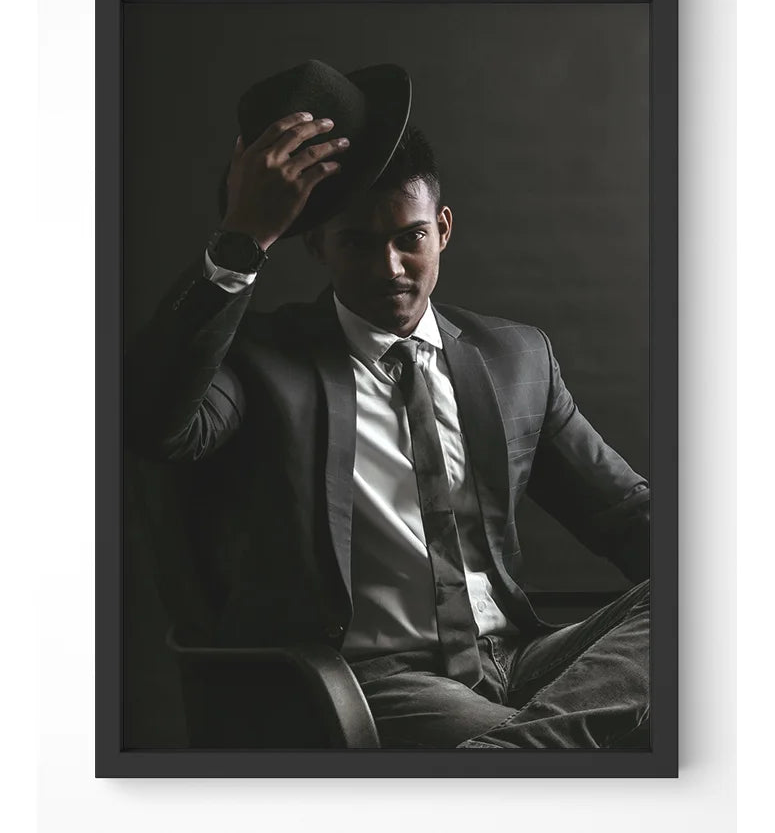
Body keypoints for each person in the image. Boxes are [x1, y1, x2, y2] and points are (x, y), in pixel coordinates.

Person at [125, 59, 650, 749]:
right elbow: (152, 422)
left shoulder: (516, 357)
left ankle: (511, 757)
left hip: (524, 658)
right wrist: (241, 240)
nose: (391, 267)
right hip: (375, 680)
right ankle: (531, 756)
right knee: (637, 734)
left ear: (443, 228)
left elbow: (626, 515)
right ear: (316, 244)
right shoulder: (258, 360)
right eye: (358, 243)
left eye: (411, 238)